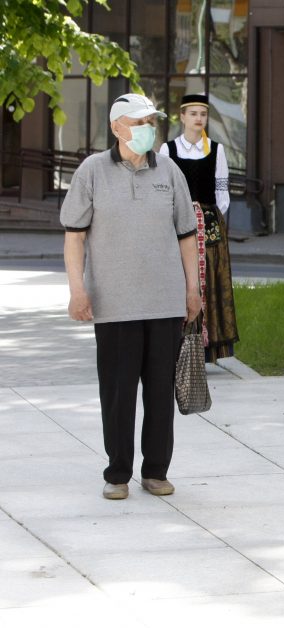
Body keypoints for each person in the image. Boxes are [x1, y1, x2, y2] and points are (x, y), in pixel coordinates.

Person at [61, 93, 200, 500]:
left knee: (160, 392)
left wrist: (192, 290)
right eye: (140, 123)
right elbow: (74, 237)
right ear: (118, 127)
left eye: (151, 122)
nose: (148, 130)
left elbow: (187, 237)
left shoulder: (170, 171)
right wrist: (77, 290)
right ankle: (117, 473)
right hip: (114, 303)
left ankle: (156, 470)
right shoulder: (92, 171)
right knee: (119, 392)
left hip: (165, 301)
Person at [159, 93, 238, 362]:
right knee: (178, 279)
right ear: (182, 116)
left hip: (208, 224)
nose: (198, 119)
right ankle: (176, 343)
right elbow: (164, 190)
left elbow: (222, 191)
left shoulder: (216, 150)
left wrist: (208, 217)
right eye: (193, 114)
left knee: (209, 283)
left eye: (203, 114)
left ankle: (205, 348)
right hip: (177, 225)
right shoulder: (168, 151)